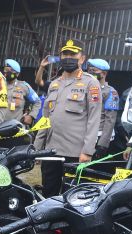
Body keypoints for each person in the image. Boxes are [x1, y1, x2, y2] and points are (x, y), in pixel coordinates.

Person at [34, 39, 102, 197]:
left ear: (82, 58)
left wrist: (87, 151)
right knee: (48, 191)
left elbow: (94, 119)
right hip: (51, 151)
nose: (68, 57)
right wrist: (37, 149)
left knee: (71, 195)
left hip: (75, 152)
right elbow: (45, 119)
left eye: (73, 54)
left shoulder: (90, 83)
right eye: (65, 54)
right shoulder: (54, 84)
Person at [87, 58, 120, 159]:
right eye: (89, 70)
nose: (90, 73)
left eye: (94, 70)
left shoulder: (111, 92)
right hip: (84, 134)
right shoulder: (86, 88)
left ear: (104, 73)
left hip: (99, 136)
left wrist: (103, 144)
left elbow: (110, 120)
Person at [1, 58, 39, 125]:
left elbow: (37, 102)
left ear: (17, 74)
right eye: (6, 70)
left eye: (11, 70)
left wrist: (31, 116)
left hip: (15, 127)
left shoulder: (23, 86)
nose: (7, 72)